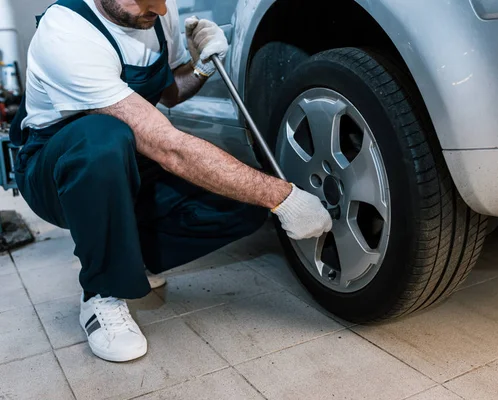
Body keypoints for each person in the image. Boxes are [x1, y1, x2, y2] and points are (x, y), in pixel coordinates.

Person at [10, 0, 332, 363]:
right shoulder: (67, 32)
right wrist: (282, 196)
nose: (159, 11)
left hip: (132, 156)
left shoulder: (158, 13)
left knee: (243, 204)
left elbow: (171, 92)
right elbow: (167, 147)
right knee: (102, 138)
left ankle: (128, 257)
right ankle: (102, 291)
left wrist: (200, 67)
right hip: (56, 168)